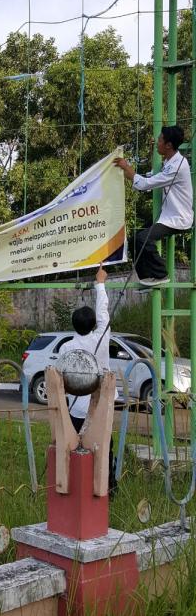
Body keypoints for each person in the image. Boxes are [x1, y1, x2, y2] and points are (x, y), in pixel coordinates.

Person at [59, 265, 117, 494]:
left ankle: (74, 485)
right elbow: (104, 313)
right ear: (94, 325)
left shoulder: (67, 348)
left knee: (73, 448)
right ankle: (107, 485)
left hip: (75, 409)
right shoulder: (102, 339)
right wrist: (100, 283)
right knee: (103, 448)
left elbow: (59, 380)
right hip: (102, 407)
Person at [114, 125, 193, 287]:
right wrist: (132, 171)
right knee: (135, 239)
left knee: (143, 240)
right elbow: (152, 179)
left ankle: (160, 274)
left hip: (177, 218)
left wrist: (126, 168)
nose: (157, 143)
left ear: (168, 145)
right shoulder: (170, 161)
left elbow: (145, 184)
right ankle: (147, 279)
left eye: (160, 140)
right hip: (167, 214)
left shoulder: (178, 165)